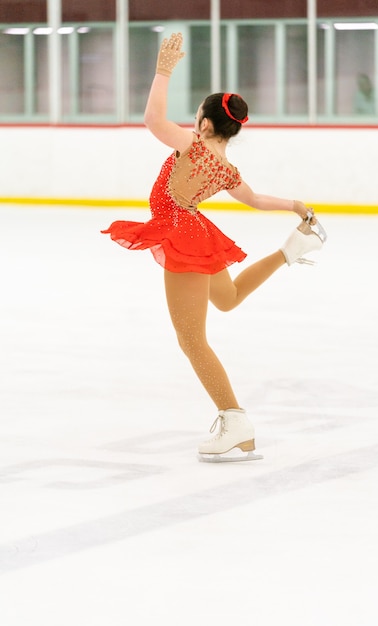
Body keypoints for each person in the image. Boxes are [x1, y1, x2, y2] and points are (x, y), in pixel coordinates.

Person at [102, 33, 326, 462]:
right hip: (197, 229)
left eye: (197, 116)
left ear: (205, 124)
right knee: (228, 298)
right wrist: (298, 206)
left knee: (192, 341)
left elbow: (152, 119)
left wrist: (164, 69)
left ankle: (233, 417)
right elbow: (257, 200)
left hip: (181, 233)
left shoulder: (192, 146)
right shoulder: (225, 167)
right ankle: (289, 252)